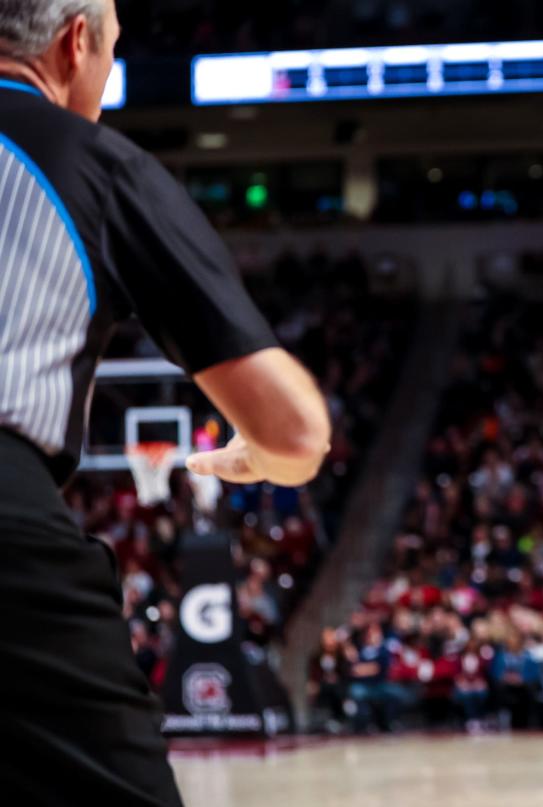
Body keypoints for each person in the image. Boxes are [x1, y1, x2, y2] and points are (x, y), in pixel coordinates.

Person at [0, 1, 330, 803]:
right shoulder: (94, 163)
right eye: (113, 48)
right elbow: (295, 429)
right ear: (77, 43)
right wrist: (267, 453)